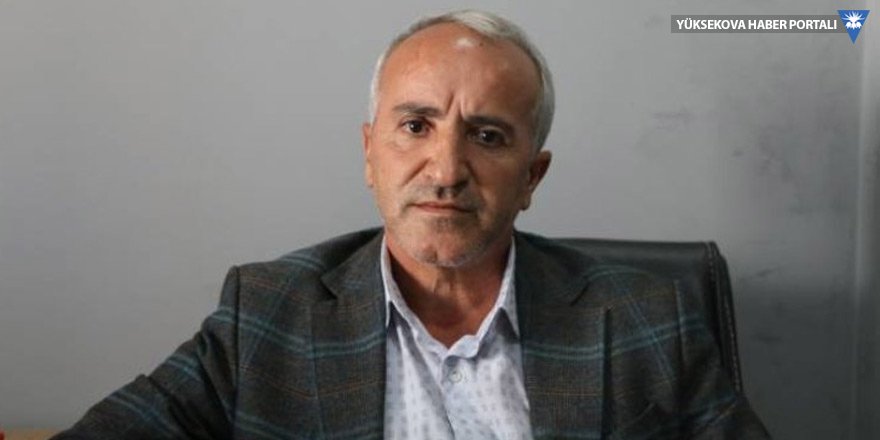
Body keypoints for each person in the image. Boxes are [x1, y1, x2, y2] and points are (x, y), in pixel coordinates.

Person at [54, 9, 770, 439]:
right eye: (416, 126)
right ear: (370, 154)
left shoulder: (649, 318)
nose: (446, 169)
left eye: (487, 135)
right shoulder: (267, 314)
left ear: (532, 177)